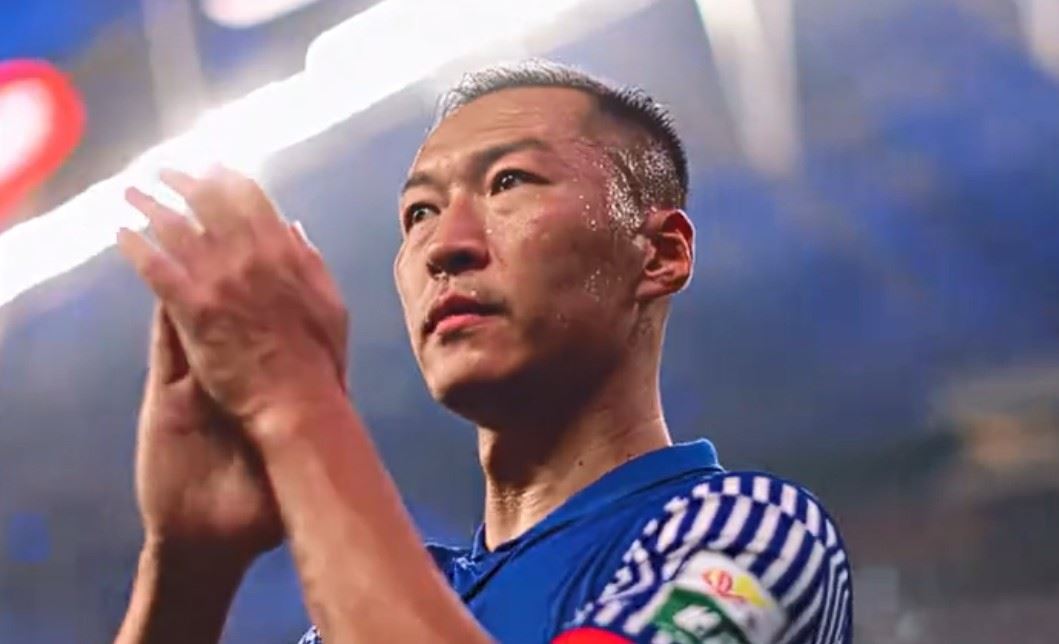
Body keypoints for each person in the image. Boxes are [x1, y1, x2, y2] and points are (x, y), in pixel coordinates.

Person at [113, 60, 852, 644]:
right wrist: (187, 566)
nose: (444, 246)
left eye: (509, 182)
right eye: (419, 213)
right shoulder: (365, 614)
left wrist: (295, 405)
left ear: (659, 253)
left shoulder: (754, 534)